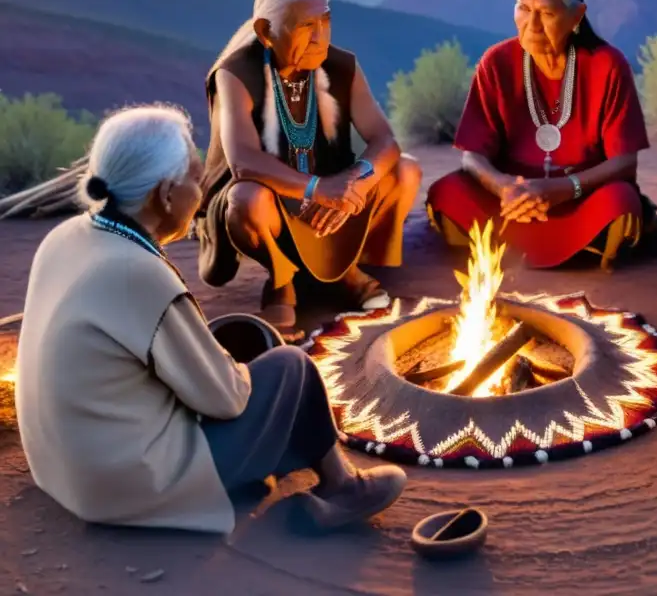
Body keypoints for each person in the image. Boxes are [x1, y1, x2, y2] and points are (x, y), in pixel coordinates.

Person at [15, 105, 407, 534]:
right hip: (128, 484)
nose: (201, 194)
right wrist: (242, 371)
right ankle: (343, 486)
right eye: (196, 179)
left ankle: (278, 460)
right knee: (290, 366)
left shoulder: (67, 236)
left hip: (63, 465)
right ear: (164, 195)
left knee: (247, 339)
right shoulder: (139, 274)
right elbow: (226, 399)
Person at [195, 0, 422, 333]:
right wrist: (317, 188)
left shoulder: (341, 65)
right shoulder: (235, 73)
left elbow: (385, 140)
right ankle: (282, 283)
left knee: (404, 171)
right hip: (273, 198)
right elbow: (243, 162)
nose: (320, 36)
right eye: (305, 26)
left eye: (325, 21)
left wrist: (357, 181)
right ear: (266, 32)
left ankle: (346, 269)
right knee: (246, 199)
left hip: (332, 196)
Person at [426, 0, 656, 270]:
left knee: (620, 203)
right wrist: (503, 186)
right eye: (523, 8)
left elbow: (625, 163)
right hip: (510, 201)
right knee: (447, 192)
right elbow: (472, 155)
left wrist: (562, 189)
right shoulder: (496, 62)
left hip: (580, 199)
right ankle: (562, 246)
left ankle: (515, 245)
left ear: (576, 16)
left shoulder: (608, 65)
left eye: (546, 13)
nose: (532, 25)